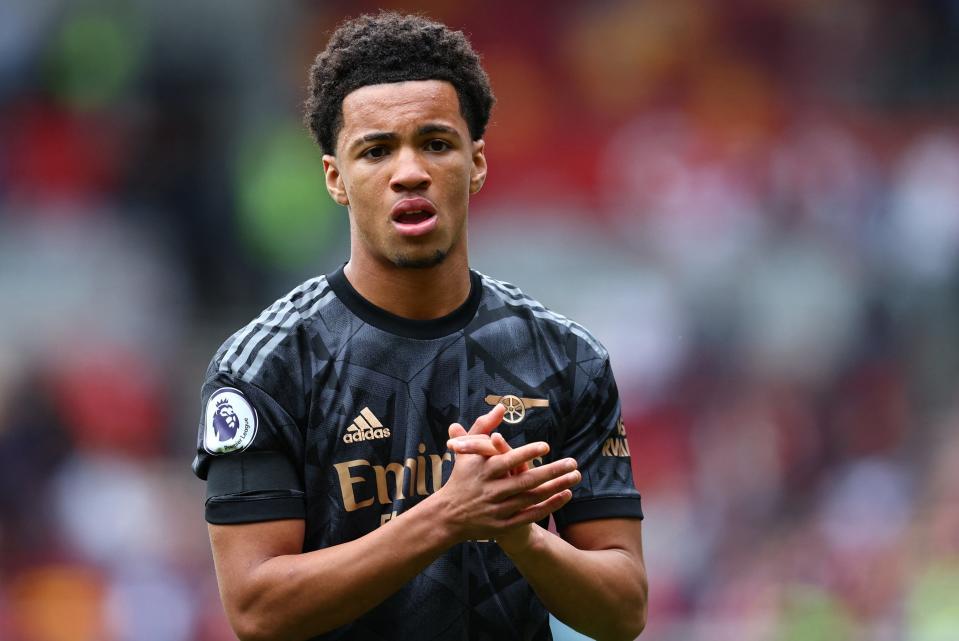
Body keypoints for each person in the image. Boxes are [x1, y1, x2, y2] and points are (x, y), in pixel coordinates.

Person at [192, 11, 647, 641]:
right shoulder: (265, 366)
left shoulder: (566, 358)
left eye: (435, 143)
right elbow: (256, 610)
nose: (409, 171)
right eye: (376, 150)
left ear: (477, 162)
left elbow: (624, 611)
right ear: (335, 178)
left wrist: (521, 537)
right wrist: (450, 514)